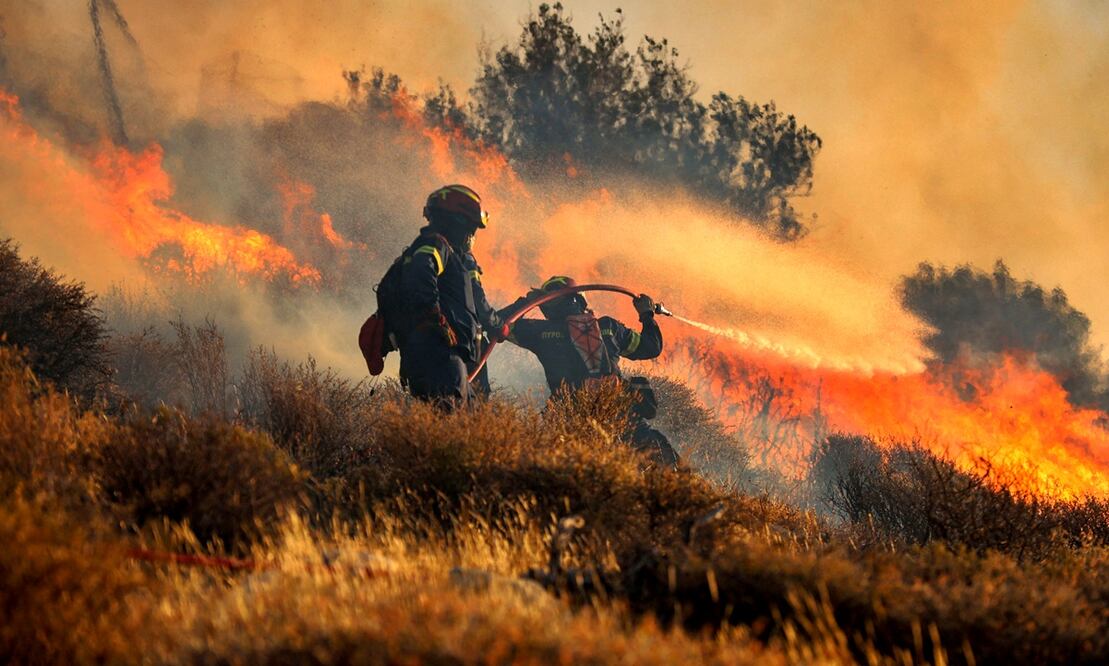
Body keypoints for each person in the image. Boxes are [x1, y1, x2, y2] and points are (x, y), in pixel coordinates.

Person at [499, 276, 678, 466]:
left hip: (570, 425)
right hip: (622, 417)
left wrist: (526, 303)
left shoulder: (540, 332)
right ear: (580, 299)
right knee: (665, 461)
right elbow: (652, 347)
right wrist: (646, 314)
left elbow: (497, 324)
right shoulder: (609, 327)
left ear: (547, 306)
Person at [394, 184, 502, 406]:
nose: (472, 237)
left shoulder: (445, 255)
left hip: (446, 356)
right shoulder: (437, 246)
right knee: (451, 418)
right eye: (472, 229)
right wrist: (435, 318)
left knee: (468, 417)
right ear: (458, 222)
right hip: (442, 356)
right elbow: (422, 275)